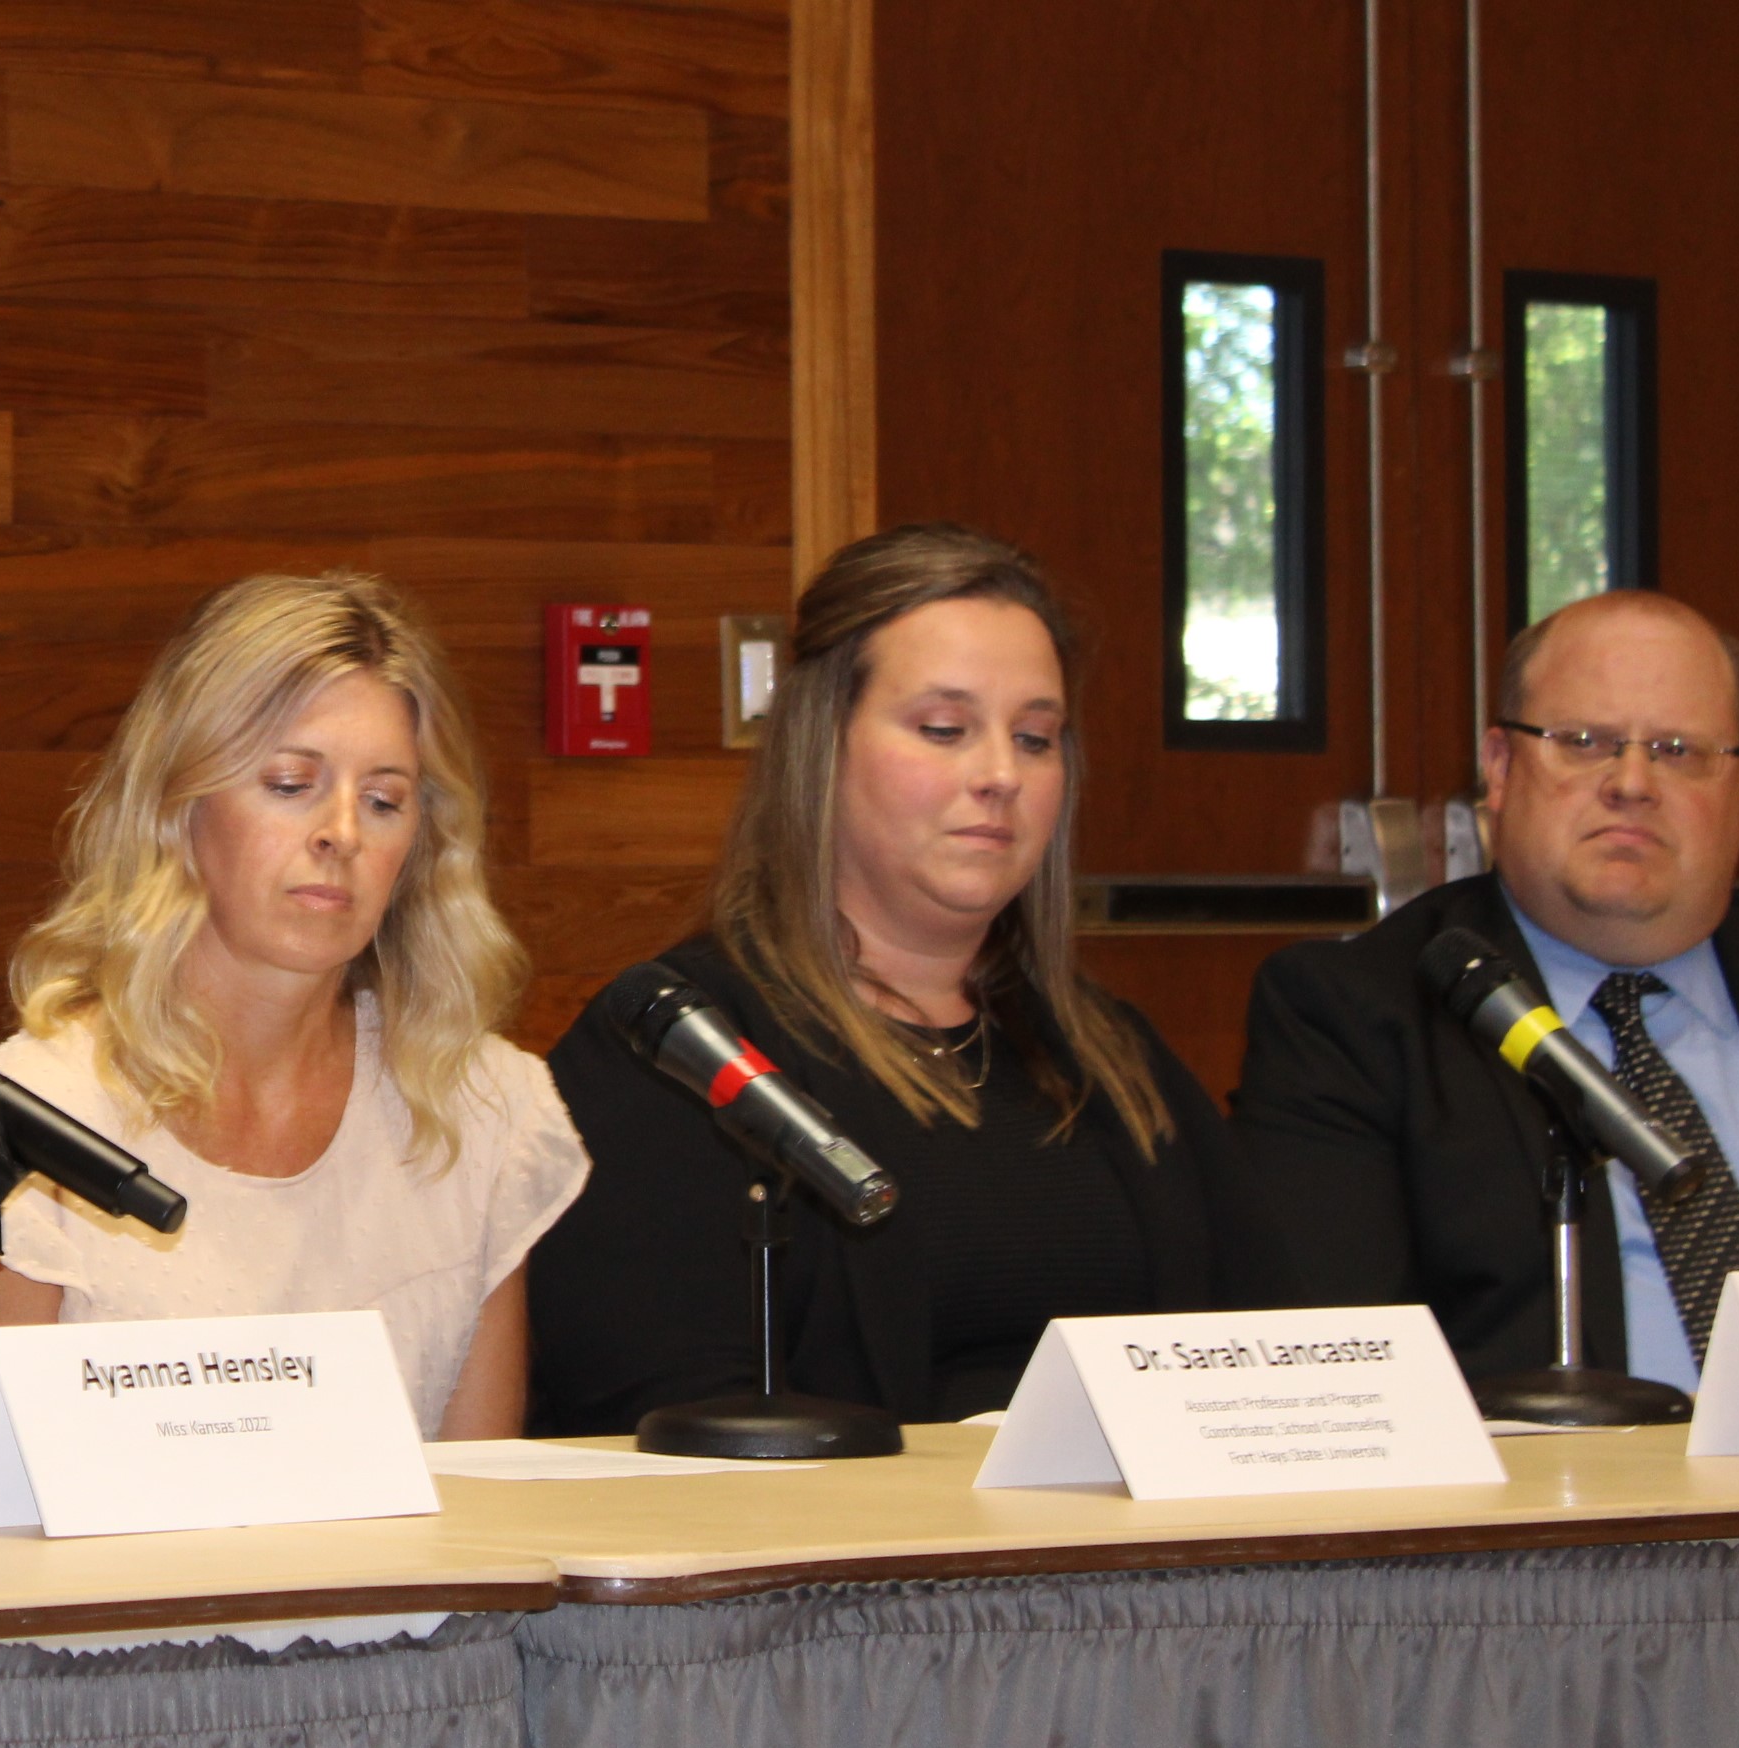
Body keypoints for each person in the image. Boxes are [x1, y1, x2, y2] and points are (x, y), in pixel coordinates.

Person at [526, 524, 1297, 1433]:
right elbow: (651, 1419)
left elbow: (1271, 1360)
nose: (1001, 774)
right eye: (944, 729)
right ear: (822, 746)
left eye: (1037, 738)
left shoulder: (1117, 1053)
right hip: (858, 1568)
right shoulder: (676, 1052)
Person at [0, 572, 587, 1440]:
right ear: (177, 806)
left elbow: (481, 1523)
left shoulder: (476, 1109)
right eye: (288, 783)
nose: (342, 832)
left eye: (383, 801)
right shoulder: (20, 1124)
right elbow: (4, 1541)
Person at [1237, 590, 1739, 1388]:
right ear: (1501, 769)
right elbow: (1336, 1380)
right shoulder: (1352, 1016)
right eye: (1585, 742)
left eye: (1680, 750)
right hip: (1568, 1504)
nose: (1632, 782)